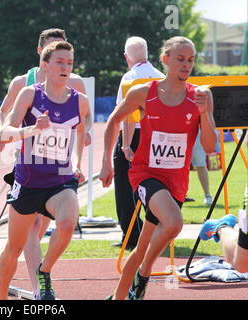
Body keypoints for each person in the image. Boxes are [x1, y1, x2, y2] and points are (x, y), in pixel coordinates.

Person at [99, 36, 217, 300]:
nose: (186, 65)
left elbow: (209, 147)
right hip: (145, 174)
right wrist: (107, 161)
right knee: (174, 223)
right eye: (180, 59)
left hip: (176, 181)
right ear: (165, 60)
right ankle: (143, 275)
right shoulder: (143, 93)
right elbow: (113, 120)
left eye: (191, 60)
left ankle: (119, 296)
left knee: (141, 249)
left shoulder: (200, 96)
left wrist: (204, 114)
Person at [0, 28, 90, 300]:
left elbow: (82, 131)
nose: (65, 67)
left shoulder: (79, 100)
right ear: (45, 66)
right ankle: (1, 299)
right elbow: (5, 132)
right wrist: (31, 130)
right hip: (27, 181)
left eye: (69, 63)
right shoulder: (29, 94)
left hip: (60, 179)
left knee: (68, 223)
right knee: (13, 248)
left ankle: (44, 271)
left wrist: (78, 164)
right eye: (60, 62)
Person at [112, 37, 165, 250]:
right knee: (154, 183)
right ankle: (157, 231)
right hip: (157, 135)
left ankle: (131, 234)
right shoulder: (162, 76)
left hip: (134, 135)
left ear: (127, 57)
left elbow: (126, 115)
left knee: (125, 185)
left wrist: (125, 145)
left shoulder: (129, 78)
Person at [191, 129, 213, 205]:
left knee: (200, 163)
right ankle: (180, 195)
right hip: (177, 130)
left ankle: (207, 195)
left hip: (195, 130)